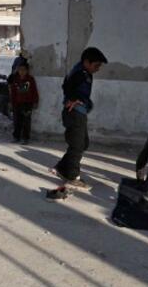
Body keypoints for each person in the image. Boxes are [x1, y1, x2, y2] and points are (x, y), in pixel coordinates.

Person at [52, 47, 107, 191]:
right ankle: (72, 177)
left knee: (83, 143)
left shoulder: (84, 71)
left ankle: (62, 167)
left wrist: (83, 102)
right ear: (86, 62)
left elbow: (69, 85)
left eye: (99, 66)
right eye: (96, 65)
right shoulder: (80, 73)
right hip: (74, 113)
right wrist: (73, 99)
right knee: (77, 145)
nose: (98, 68)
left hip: (80, 113)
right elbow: (67, 85)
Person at [8, 62, 39, 143]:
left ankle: (26, 138)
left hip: (27, 104)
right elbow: (13, 92)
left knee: (26, 121)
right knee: (17, 121)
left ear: (27, 71)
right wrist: (11, 103)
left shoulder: (30, 79)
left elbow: (34, 91)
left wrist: (35, 101)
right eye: (20, 70)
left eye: (23, 70)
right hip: (17, 103)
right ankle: (16, 137)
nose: (22, 72)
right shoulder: (15, 79)